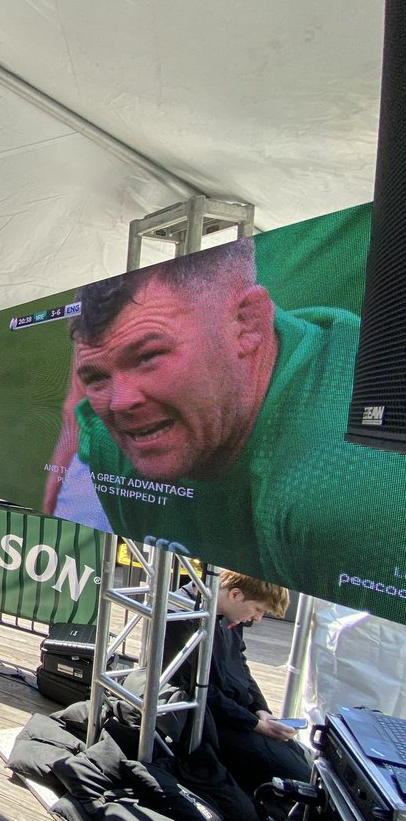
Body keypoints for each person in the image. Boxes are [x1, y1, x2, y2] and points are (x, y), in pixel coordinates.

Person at [63, 236, 406, 599]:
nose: (121, 403)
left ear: (248, 324)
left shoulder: (350, 487)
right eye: (97, 377)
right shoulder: (108, 441)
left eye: (148, 357)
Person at [168, 570, 311, 794]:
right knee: (300, 780)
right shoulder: (180, 616)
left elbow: (240, 663)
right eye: (258, 610)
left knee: (305, 764)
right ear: (234, 594)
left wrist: (261, 709)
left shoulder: (227, 613)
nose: (257, 618)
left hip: (239, 715)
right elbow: (198, 691)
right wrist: (255, 723)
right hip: (210, 725)